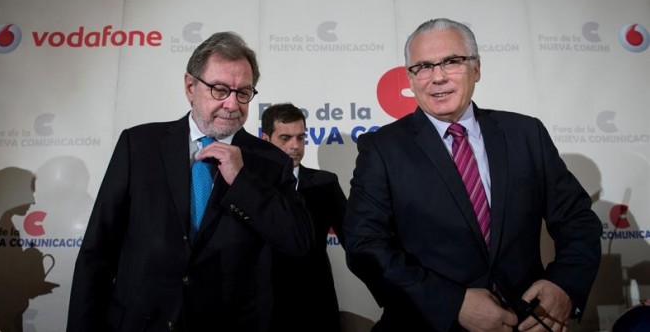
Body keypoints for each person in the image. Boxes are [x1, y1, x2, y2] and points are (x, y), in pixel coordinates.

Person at [343, 18, 602, 332]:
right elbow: (365, 246)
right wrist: (453, 303)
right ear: (410, 80)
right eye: (422, 66)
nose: (437, 78)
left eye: (451, 62)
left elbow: (577, 219)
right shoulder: (382, 148)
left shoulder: (525, 134)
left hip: (526, 323)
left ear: (476, 68)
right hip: (426, 325)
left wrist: (564, 286)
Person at [67, 32, 314, 332]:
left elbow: (299, 242)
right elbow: (98, 251)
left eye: (244, 93)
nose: (233, 104)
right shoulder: (139, 145)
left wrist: (243, 182)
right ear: (190, 86)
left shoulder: (271, 161)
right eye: (220, 90)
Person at [260, 102, 346, 332]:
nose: (295, 146)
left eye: (300, 138)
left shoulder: (325, 183)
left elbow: (355, 240)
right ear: (265, 139)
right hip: (264, 305)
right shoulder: (250, 185)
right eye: (285, 138)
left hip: (315, 303)